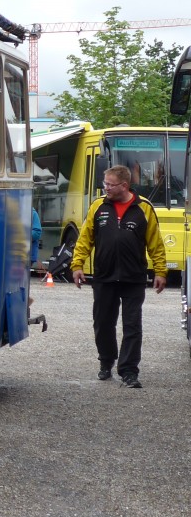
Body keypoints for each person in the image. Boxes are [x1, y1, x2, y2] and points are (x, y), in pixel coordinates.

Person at [70, 165, 166, 388]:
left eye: (110, 185)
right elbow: (85, 239)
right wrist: (77, 265)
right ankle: (106, 362)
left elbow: (155, 242)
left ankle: (129, 371)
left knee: (132, 325)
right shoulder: (98, 206)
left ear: (124, 185)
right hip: (104, 276)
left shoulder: (144, 208)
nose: (106, 188)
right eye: (105, 184)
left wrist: (160, 271)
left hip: (134, 277)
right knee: (103, 323)